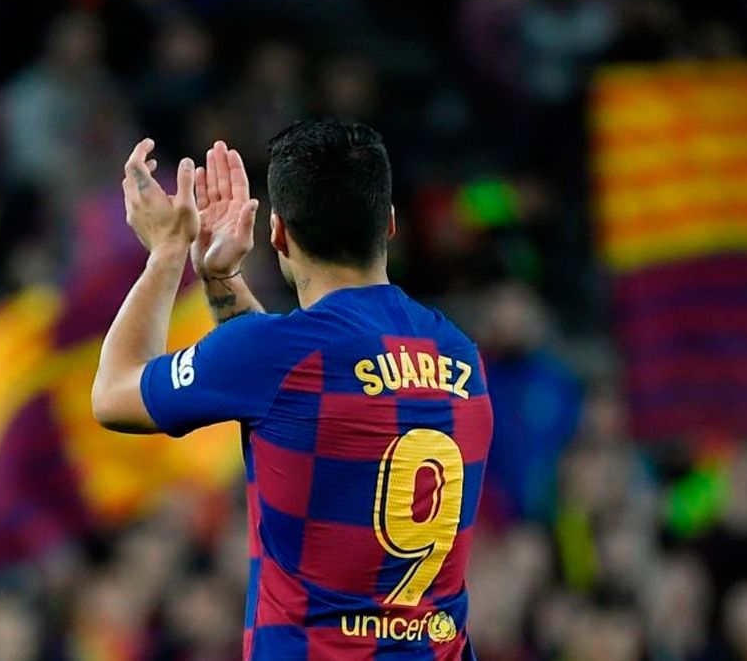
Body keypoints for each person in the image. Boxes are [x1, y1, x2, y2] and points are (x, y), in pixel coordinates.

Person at [90, 119, 493, 660]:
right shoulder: (461, 355)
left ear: (277, 233)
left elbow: (114, 394)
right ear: (390, 224)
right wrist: (221, 278)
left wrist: (167, 251)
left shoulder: (279, 356)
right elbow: (297, 395)